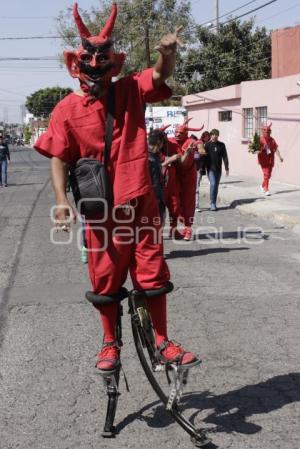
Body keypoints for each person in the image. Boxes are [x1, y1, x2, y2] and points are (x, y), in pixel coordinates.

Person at [34, 3, 198, 371]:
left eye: (103, 59)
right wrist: (61, 201)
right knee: (105, 278)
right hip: (100, 207)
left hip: (140, 199)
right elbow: (58, 157)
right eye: (88, 60)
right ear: (75, 64)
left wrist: (167, 55)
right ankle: (110, 342)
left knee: (153, 272)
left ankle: (161, 341)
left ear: (115, 62)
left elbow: (157, 77)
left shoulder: (128, 90)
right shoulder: (64, 110)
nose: (96, 67)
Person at [169, 119, 204, 240]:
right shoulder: (171, 141)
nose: (178, 135)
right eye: (176, 132)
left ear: (186, 134)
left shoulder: (190, 141)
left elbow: (198, 142)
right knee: (174, 203)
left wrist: (200, 147)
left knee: (188, 202)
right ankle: (173, 229)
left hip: (189, 176)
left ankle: (188, 229)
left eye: (181, 133)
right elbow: (158, 141)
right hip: (174, 176)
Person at [204, 129, 229, 211]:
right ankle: (212, 203)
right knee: (213, 184)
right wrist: (202, 168)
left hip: (218, 169)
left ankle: (214, 202)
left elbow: (225, 157)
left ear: (218, 136)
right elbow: (204, 157)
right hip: (210, 169)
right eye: (213, 134)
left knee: (216, 186)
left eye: (216, 135)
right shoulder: (207, 145)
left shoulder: (221, 145)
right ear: (211, 135)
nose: (215, 136)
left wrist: (227, 168)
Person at [258, 123, 283, 196]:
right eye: (266, 131)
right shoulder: (260, 139)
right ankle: (266, 189)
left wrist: (280, 157)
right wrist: (259, 150)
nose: (267, 133)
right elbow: (256, 149)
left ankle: (262, 185)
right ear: (263, 132)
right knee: (266, 174)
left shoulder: (272, 140)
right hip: (263, 160)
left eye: (268, 132)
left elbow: (276, 149)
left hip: (271, 160)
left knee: (269, 175)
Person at [148, 129, 166, 222]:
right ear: (159, 142)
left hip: (159, 195)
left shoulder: (156, 155)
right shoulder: (146, 156)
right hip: (151, 198)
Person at [194, 131, 210, 212]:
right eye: (205, 137)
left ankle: (196, 205)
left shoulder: (207, 144)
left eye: (208, 137)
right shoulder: (199, 144)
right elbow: (196, 157)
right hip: (192, 169)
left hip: (199, 169)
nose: (207, 138)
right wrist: (200, 154)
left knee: (196, 188)